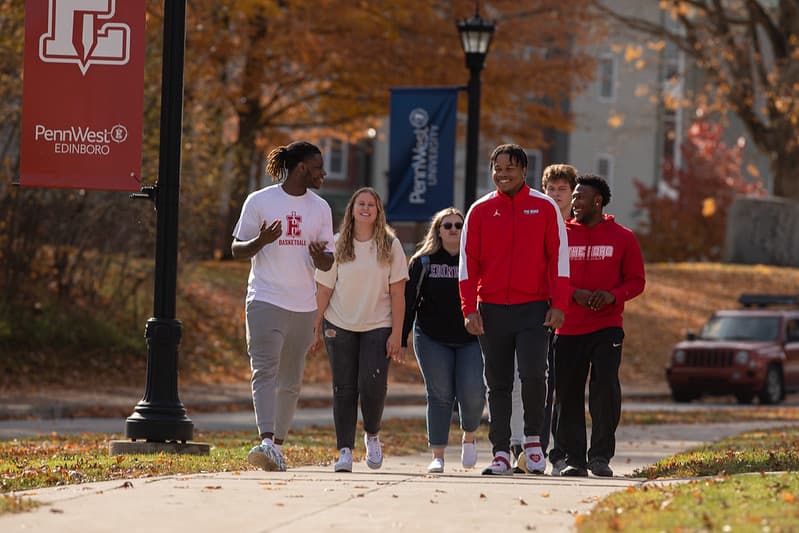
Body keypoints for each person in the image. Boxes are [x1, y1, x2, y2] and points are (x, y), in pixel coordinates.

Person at [459, 143, 570, 476]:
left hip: (534, 308)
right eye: (497, 168)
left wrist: (559, 303)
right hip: (491, 309)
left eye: (509, 168)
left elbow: (559, 260)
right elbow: (468, 264)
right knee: (498, 383)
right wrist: (469, 308)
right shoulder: (479, 210)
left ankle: (533, 442)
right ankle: (500, 451)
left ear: (524, 171)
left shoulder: (545, 207)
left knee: (535, 375)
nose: (502, 174)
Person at [231, 141, 335, 472]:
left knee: (291, 380)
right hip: (264, 298)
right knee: (264, 369)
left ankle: (276, 447)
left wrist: (320, 257)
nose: (323, 173)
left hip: (303, 305)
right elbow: (236, 248)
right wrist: (260, 241)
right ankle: (264, 439)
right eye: (318, 167)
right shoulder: (259, 201)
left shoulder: (321, 208)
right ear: (302, 168)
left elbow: (328, 259)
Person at [553, 174, 645, 477]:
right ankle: (575, 460)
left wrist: (613, 296)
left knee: (605, 390)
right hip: (567, 327)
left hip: (607, 326)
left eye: (580, 197)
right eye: (574, 196)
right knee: (568, 394)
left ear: (597, 201)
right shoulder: (561, 235)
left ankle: (600, 457)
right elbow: (547, 277)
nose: (574, 202)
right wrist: (572, 293)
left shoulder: (623, 237)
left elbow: (636, 281)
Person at [312, 187, 408, 473]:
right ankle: (344, 450)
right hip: (339, 325)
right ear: (352, 210)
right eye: (360, 204)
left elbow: (398, 294)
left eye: (371, 205)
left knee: (372, 384)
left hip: (378, 325)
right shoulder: (338, 244)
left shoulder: (391, 246)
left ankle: (373, 434)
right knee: (343, 388)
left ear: (378, 211)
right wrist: (314, 326)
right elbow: (323, 291)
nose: (365, 208)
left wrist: (397, 334)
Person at [402, 208, 485, 474]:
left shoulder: (476, 261)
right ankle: (438, 454)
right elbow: (409, 303)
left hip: (471, 338)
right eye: (446, 225)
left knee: (472, 393)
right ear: (438, 230)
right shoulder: (422, 262)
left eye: (458, 226)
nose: (452, 229)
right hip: (431, 337)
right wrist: (401, 337)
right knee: (439, 395)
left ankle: (469, 437)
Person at [510, 164, 577, 473]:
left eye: (562, 189)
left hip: (574, 322)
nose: (555, 194)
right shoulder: (535, 222)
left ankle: (557, 451)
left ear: (573, 194)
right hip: (536, 314)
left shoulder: (578, 229)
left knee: (561, 388)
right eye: (550, 188)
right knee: (532, 382)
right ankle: (526, 447)